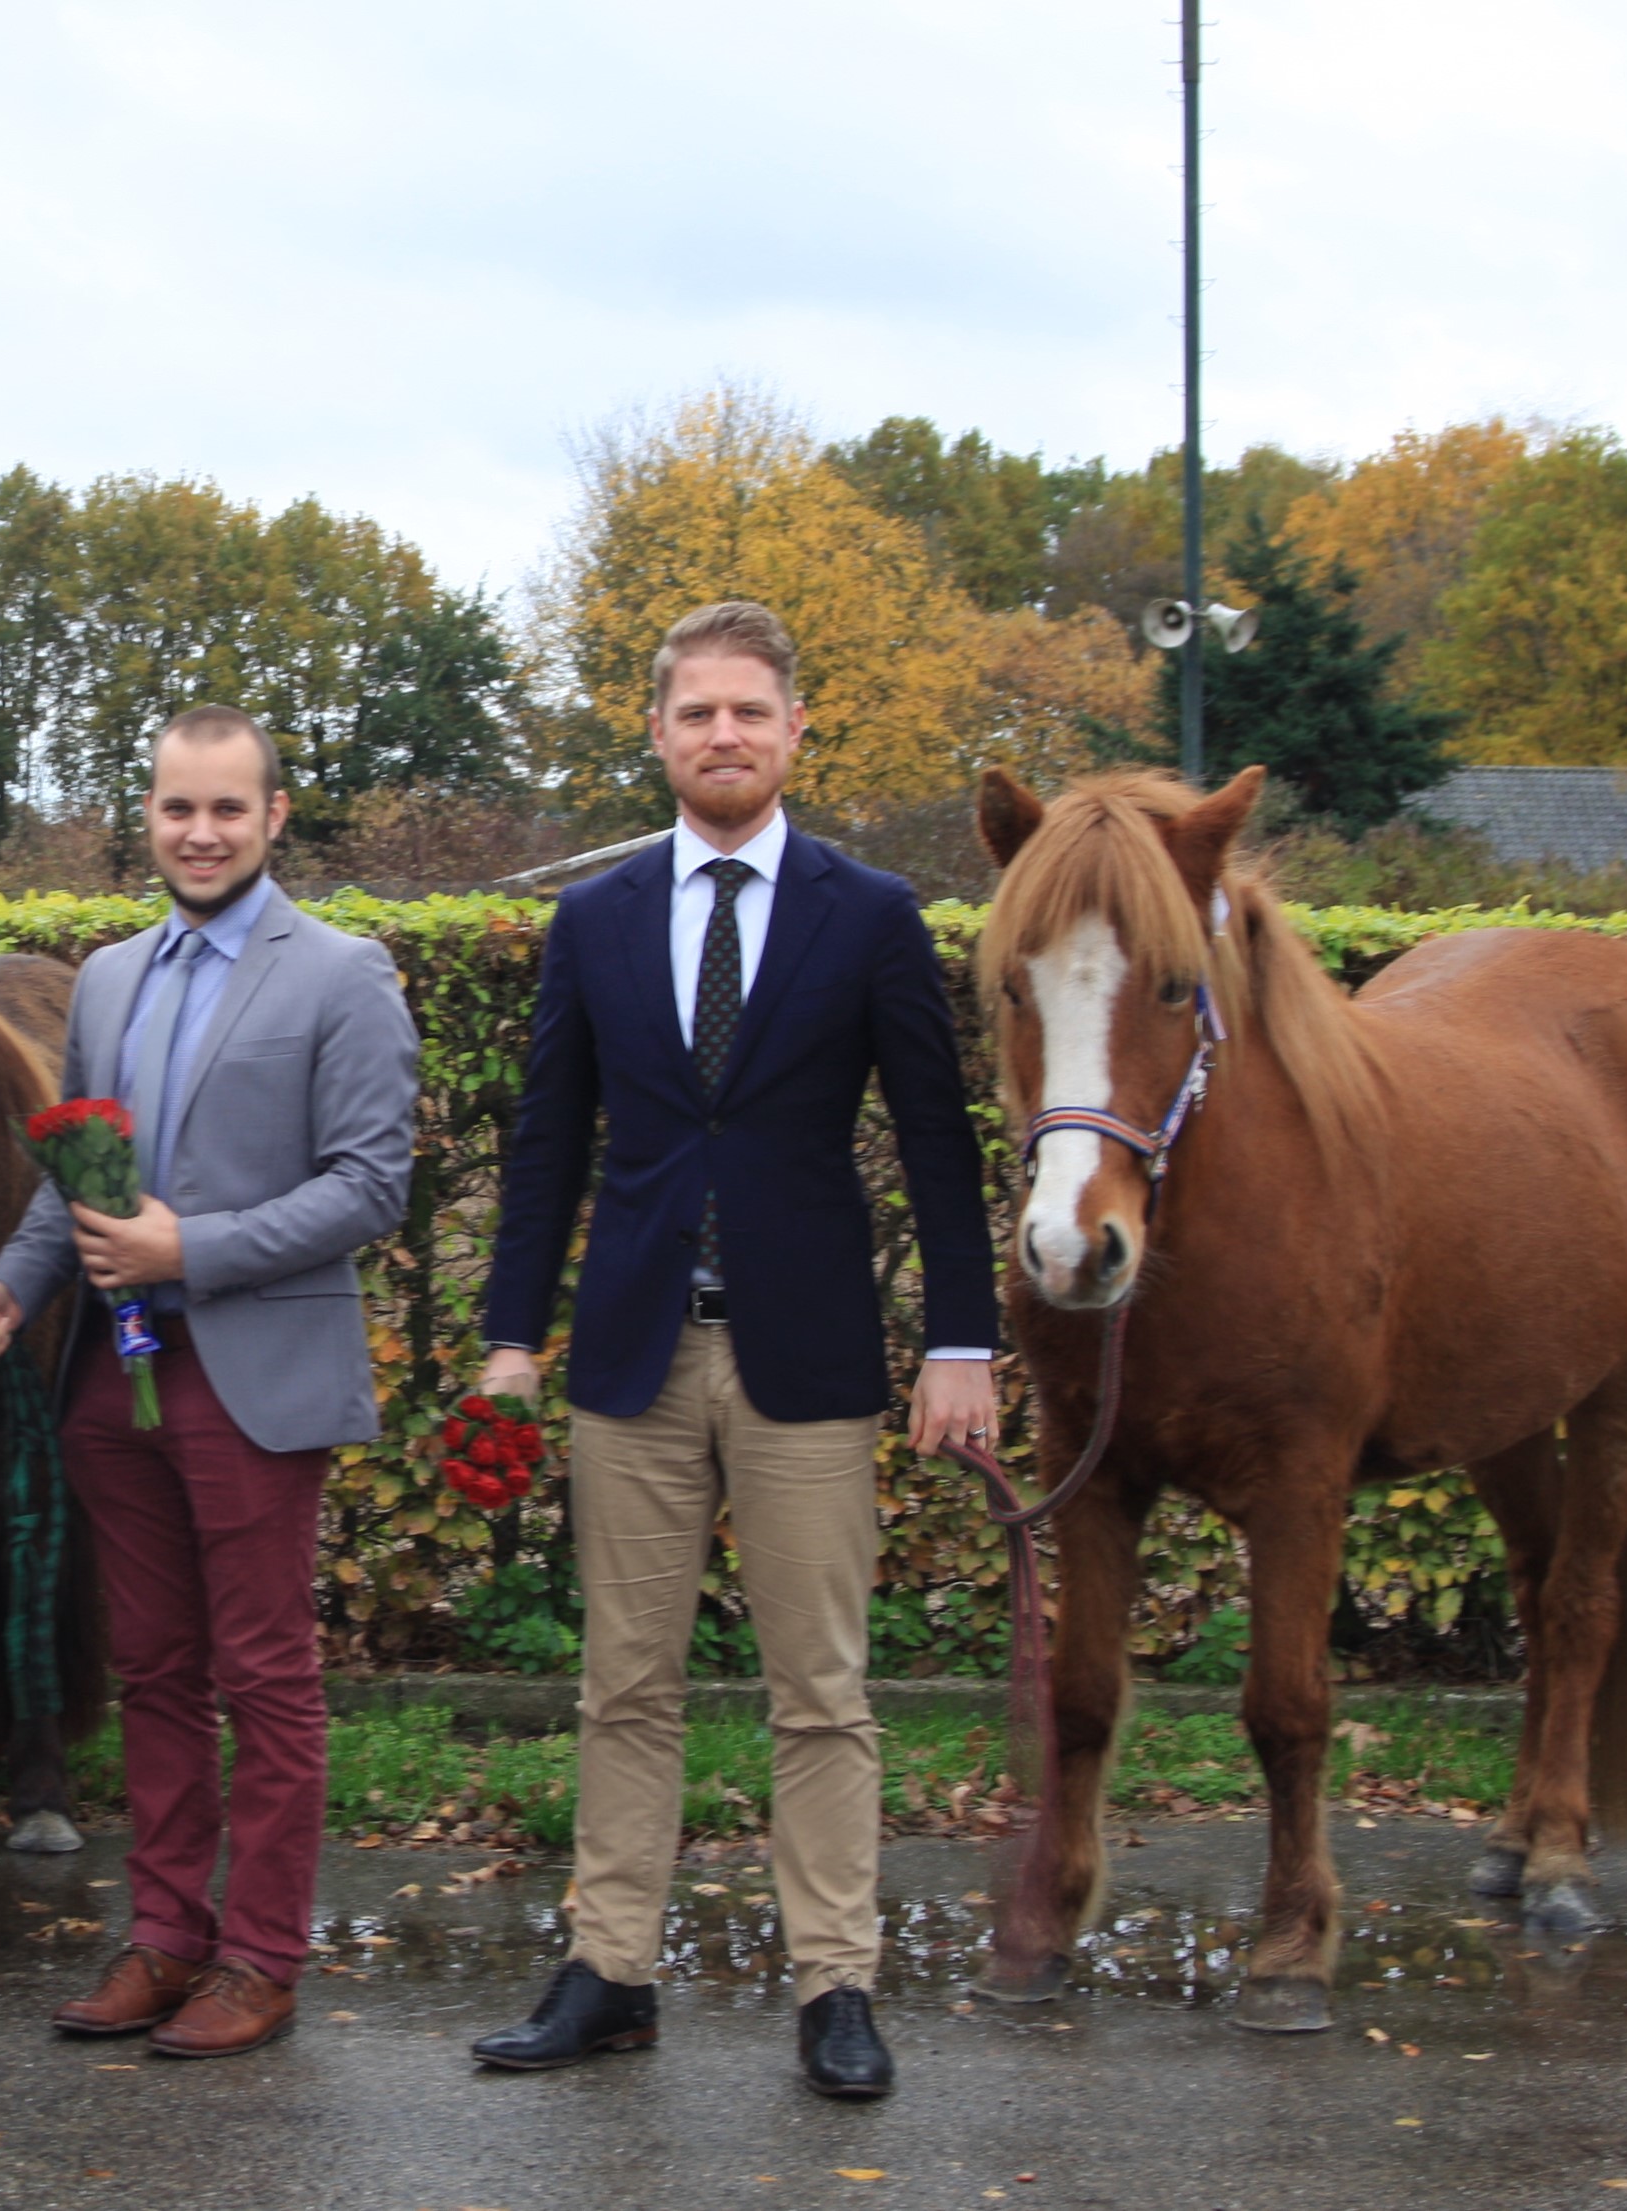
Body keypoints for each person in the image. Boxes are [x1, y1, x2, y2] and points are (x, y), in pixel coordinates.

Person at [467, 602, 997, 2098]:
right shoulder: (600, 920)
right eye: (696, 713)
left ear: (793, 732)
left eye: (748, 713)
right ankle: (608, 1971)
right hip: (631, 1359)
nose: (722, 736)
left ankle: (836, 1983)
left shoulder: (871, 915)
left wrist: (965, 1337)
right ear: (657, 734)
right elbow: (547, 1144)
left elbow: (940, 1150)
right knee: (623, 1684)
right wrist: (513, 1335)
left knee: (821, 1689)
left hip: (806, 1361)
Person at [0, 704, 418, 2058]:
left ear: (274, 820)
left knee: (263, 1677)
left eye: (226, 809)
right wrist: (12, 1282)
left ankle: (259, 1958)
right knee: (151, 1669)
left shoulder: (343, 975)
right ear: (145, 818)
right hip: (114, 1383)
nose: (198, 832)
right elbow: (70, 1176)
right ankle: (165, 1940)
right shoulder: (105, 981)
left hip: (256, 1380)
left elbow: (371, 1188)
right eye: (175, 808)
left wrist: (185, 1249)